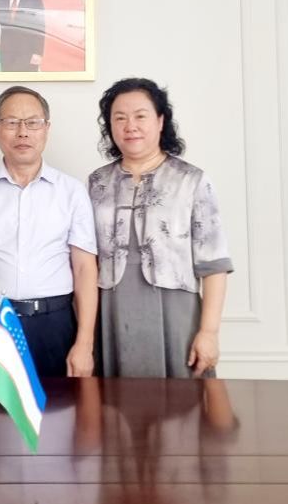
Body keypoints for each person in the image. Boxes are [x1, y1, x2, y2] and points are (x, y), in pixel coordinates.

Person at [0, 86, 98, 379]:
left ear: (46, 129)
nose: (23, 132)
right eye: (12, 122)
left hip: (55, 324)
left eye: (33, 123)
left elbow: (84, 269)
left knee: (59, 407)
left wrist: (84, 344)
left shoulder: (72, 191)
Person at [88, 78, 233, 378]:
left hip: (177, 312)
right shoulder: (97, 182)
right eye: (119, 118)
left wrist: (209, 332)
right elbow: (85, 261)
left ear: (160, 120)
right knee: (114, 401)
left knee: (181, 402)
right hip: (111, 311)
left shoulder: (191, 180)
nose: (130, 126)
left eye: (140, 116)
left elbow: (214, 265)